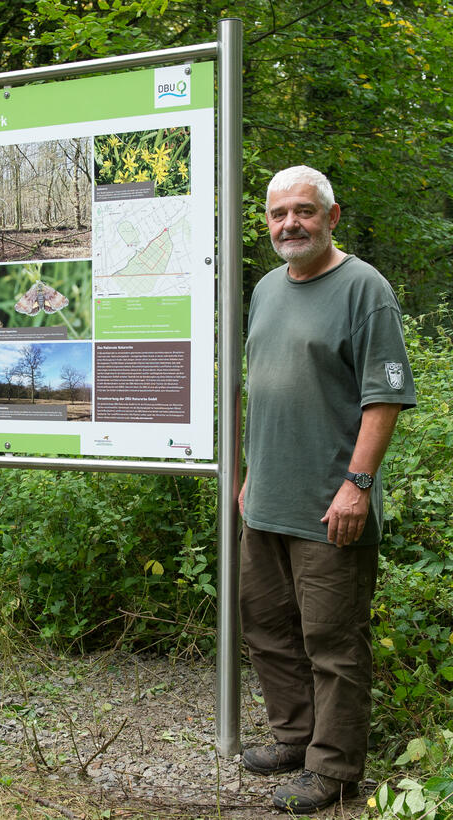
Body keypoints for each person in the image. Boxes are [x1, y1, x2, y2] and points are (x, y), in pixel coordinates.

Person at [238, 166, 416, 813]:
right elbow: (265, 391)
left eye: (305, 211)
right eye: (280, 212)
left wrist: (357, 486)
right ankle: (295, 738)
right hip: (266, 502)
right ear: (267, 222)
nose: (292, 223)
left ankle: (336, 772)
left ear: (331, 217)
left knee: (333, 644)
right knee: (264, 625)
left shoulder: (364, 289)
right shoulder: (264, 290)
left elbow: (385, 398)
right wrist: (252, 474)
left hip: (330, 507)